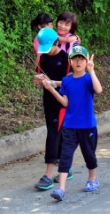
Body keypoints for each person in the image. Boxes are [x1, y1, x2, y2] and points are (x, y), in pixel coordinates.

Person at [44, 46, 103, 201]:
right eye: (75, 58)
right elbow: (65, 102)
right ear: (70, 61)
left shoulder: (88, 79)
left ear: (86, 61)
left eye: (82, 58)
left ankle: (92, 179)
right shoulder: (66, 80)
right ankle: (61, 189)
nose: (78, 61)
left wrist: (92, 71)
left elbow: (99, 89)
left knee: (88, 154)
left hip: (87, 125)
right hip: (69, 125)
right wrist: (51, 89)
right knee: (65, 155)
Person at [33, 28, 71, 191]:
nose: (46, 51)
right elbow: (41, 76)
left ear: (57, 42)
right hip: (47, 101)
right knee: (58, 133)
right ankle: (66, 167)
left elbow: (71, 81)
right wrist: (39, 80)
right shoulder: (42, 59)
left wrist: (54, 83)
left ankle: (48, 175)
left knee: (53, 134)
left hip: (62, 102)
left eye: (49, 47)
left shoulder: (67, 59)